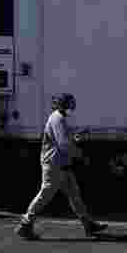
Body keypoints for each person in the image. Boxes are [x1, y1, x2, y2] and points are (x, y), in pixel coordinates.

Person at [15, 93, 107, 239]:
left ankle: (88, 224)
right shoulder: (57, 119)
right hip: (54, 164)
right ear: (63, 105)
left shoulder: (60, 118)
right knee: (45, 195)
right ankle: (25, 224)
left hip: (61, 163)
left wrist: (77, 136)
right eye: (69, 103)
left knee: (74, 195)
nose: (72, 106)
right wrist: (80, 154)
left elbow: (64, 141)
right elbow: (64, 144)